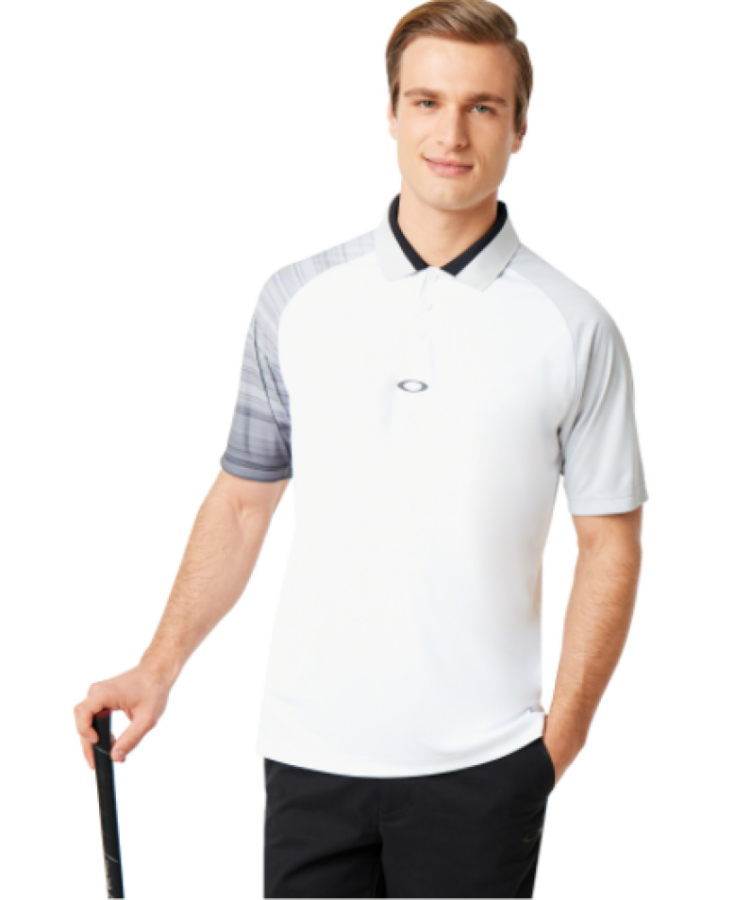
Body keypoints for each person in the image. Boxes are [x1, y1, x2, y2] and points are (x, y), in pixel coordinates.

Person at [74, 1, 648, 896]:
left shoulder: (574, 326)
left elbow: (610, 541)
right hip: (309, 759)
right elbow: (241, 502)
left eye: (482, 107)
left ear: (520, 128)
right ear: (391, 113)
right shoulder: (297, 300)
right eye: (427, 102)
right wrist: (158, 667)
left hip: (484, 769)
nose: (450, 134)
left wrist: (557, 743)